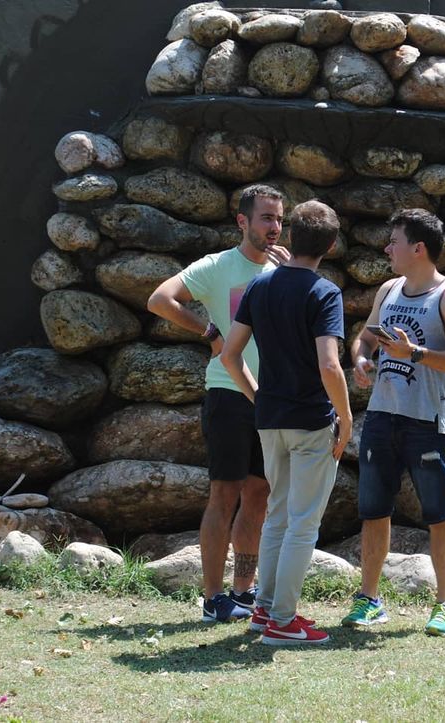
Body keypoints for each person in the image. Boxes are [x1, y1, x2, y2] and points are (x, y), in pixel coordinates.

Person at [147, 184, 289, 623]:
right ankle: (212, 598)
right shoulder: (216, 266)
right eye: (266, 218)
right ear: (242, 221)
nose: (275, 227)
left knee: (259, 494)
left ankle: (243, 592)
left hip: (272, 397)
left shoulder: (286, 270)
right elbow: (160, 300)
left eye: (279, 219)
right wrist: (209, 332)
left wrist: (291, 276)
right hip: (228, 394)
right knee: (224, 494)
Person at [221, 200, 352, 646]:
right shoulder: (324, 293)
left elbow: (230, 356)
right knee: (303, 523)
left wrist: (258, 397)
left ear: (291, 236)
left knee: (277, 515)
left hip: (269, 419)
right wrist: (346, 417)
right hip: (311, 421)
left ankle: (265, 611)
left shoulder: (260, 286)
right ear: (330, 246)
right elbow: (329, 365)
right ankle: (282, 619)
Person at [342, 208, 445, 637]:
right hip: (382, 416)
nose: (387, 249)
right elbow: (366, 337)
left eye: (394, 242)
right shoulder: (388, 290)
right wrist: (360, 359)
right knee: (373, 511)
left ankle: (443, 605)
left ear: (418, 248)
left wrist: (415, 353)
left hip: (427, 422)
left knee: (438, 514)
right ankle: (369, 599)